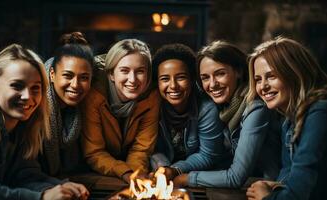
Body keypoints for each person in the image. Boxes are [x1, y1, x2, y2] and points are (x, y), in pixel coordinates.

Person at [0, 44, 89, 200]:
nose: (27, 96)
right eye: (17, 86)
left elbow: (25, 175)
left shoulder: (24, 126)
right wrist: (40, 197)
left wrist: (58, 187)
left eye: (35, 88)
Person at [174, 41, 281, 188]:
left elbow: (235, 177)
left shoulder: (256, 109)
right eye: (205, 77)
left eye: (220, 74)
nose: (212, 85)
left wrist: (186, 179)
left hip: (269, 189)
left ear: (238, 71)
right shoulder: (225, 108)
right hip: (249, 186)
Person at [246, 37, 327, 200]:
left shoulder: (319, 113)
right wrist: (276, 185)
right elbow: (290, 175)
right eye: (258, 80)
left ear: (295, 73)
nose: (263, 87)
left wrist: (266, 197)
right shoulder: (288, 122)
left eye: (272, 76)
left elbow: (298, 195)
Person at [82, 39, 160, 183]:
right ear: (111, 74)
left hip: (132, 167)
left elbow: (141, 148)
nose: (133, 79)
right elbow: (94, 152)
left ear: (148, 75)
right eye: (124, 70)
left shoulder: (151, 97)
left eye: (140, 71)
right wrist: (125, 173)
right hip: (96, 170)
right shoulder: (93, 96)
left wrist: (135, 174)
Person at [149, 43, 225, 184]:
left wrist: (174, 170)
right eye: (165, 79)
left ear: (192, 80)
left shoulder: (207, 108)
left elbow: (208, 155)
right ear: (157, 82)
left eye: (181, 77)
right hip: (162, 176)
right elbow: (150, 148)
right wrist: (162, 168)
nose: (173, 86)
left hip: (200, 179)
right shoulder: (152, 106)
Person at [40, 32, 94, 180]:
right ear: (52, 74)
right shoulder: (34, 105)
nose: (75, 85)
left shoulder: (81, 109)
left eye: (84, 78)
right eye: (68, 75)